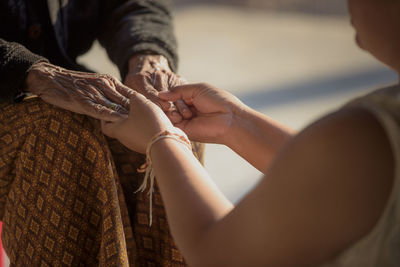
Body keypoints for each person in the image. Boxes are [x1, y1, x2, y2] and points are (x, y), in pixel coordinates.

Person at [101, 0, 400, 266]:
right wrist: (235, 122)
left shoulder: (369, 133)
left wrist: (162, 140)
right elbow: (339, 180)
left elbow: (216, 252)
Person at [0, 0, 203, 265]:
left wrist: (148, 56)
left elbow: (134, 5)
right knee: (62, 137)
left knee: (175, 123)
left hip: (56, 73)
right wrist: (30, 72)